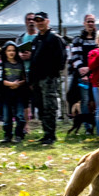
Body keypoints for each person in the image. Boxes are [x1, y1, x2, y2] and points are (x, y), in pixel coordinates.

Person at [29, 11, 67, 145]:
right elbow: (33, 61)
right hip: (37, 79)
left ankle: (51, 135)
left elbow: (62, 58)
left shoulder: (54, 38)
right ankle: (46, 133)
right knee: (41, 107)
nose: (39, 23)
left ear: (47, 21)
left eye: (41, 20)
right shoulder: (36, 39)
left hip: (49, 78)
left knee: (50, 107)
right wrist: (31, 80)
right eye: (37, 21)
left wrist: (53, 72)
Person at [68, 14, 98, 134]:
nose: (90, 24)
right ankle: (87, 127)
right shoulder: (77, 39)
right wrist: (82, 69)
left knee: (94, 100)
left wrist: (91, 67)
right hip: (82, 77)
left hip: (96, 74)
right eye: (88, 21)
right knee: (84, 100)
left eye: (92, 21)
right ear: (84, 23)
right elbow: (75, 56)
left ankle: (98, 124)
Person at [0, 41, 27, 143]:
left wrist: (19, 84)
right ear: (5, 52)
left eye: (13, 50)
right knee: (7, 117)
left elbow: (25, 79)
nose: (11, 53)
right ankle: (7, 136)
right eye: (9, 50)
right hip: (6, 94)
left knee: (20, 116)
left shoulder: (21, 64)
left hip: (19, 94)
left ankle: (19, 135)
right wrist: (10, 84)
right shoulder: (1, 65)